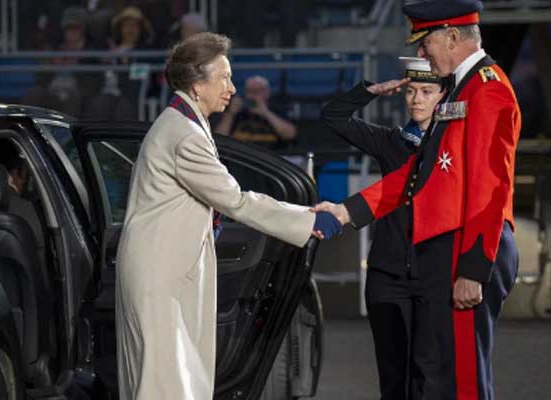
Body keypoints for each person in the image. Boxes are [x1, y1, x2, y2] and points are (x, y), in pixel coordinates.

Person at [115, 32, 340, 400]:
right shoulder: (183, 134)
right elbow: (235, 200)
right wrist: (308, 220)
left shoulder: (184, 123)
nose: (232, 88)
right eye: (224, 78)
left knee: (164, 379)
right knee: (164, 384)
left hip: (164, 271)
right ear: (196, 84)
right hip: (161, 276)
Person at [314, 1, 521, 398]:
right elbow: (418, 176)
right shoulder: (466, 89)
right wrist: (345, 212)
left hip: (465, 247)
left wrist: (474, 267)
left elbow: (491, 186)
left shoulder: (488, 88)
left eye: (425, 43)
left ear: (454, 37)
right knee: (435, 375)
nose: (421, 54)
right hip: (445, 250)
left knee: (459, 381)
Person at [321, 57, 445, 399]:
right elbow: (333, 116)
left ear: (444, 97)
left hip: (434, 275)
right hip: (387, 276)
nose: (416, 99)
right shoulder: (391, 142)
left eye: (427, 91)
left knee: (429, 380)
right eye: (411, 91)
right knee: (393, 380)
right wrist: (371, 91)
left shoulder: (454, 146)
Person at [216, 75, 297, 149]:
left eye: (259, 91)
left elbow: (290, 134)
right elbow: (219, 139)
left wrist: (265, 113)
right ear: (246, 94)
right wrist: (231, 113)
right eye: (251, 91)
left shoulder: (276, 111)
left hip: (270, 159)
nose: (254, 95)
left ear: (267, 93)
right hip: (241, 159)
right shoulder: (237, 114)